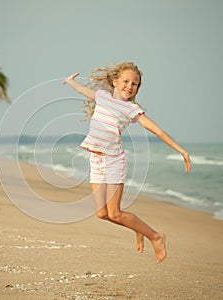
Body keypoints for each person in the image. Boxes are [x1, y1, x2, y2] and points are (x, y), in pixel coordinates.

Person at [63, 62, 191, 263]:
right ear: (115, 82)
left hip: (114, 161)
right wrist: (70, 81)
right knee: (102, 214)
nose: (130, 86)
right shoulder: (103, 97)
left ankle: (156, 236)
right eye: (126, 81)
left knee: (115, 213)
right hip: (96, 160)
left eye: (135, 84)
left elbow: (156, 130)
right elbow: (82, 90)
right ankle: (136, 228)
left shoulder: (131, 109)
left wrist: (182, 151)